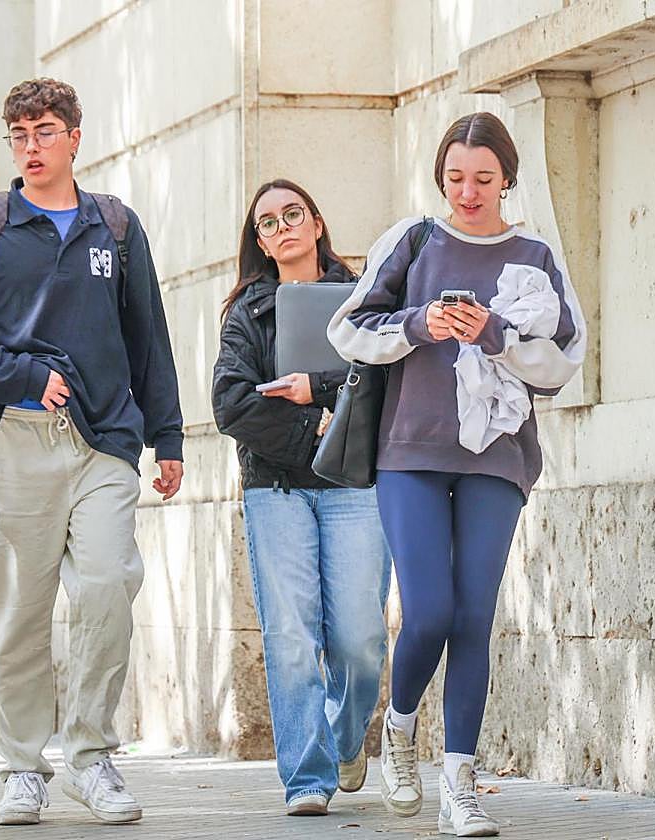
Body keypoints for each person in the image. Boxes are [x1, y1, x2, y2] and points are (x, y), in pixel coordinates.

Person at [327, 112, 586, 837]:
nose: (468, 193)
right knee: (430, 610)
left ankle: (461, 784)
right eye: (454, 178)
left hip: (497, 459)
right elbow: (347, 327)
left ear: (507, 179)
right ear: (440, 177)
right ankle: (400, 727)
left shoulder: (535, 255)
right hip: (410, 449)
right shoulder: (413, 240)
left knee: (474, 616)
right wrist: (420, 325)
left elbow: (566, 361)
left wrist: (496, 335)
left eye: (483, 179)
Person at [0, 77, 184, 827]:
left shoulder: (115, 226)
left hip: (104, 437)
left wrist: (167, 436)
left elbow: (148, 334)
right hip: (12, 442)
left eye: (43, 130)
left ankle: (91, 756)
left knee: (108, 585)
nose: (30, 146)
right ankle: (21, 767)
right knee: (19, 611)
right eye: (17, 134)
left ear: (75, 135)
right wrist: (22, 377)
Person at [211, 179, 392, 817]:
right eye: (267, 222)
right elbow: (232, 404)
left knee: (360, 639)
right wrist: (313, 432)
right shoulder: (244, 312)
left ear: (316, 222)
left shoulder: (365, 299)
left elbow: (385, 379)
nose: (282, 227)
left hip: (354, 486)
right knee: (291, 635)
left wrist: (314, 390)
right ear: (258, 240)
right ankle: (306, 778)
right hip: (277, 489)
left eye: (293, 214)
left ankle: (346, 739)